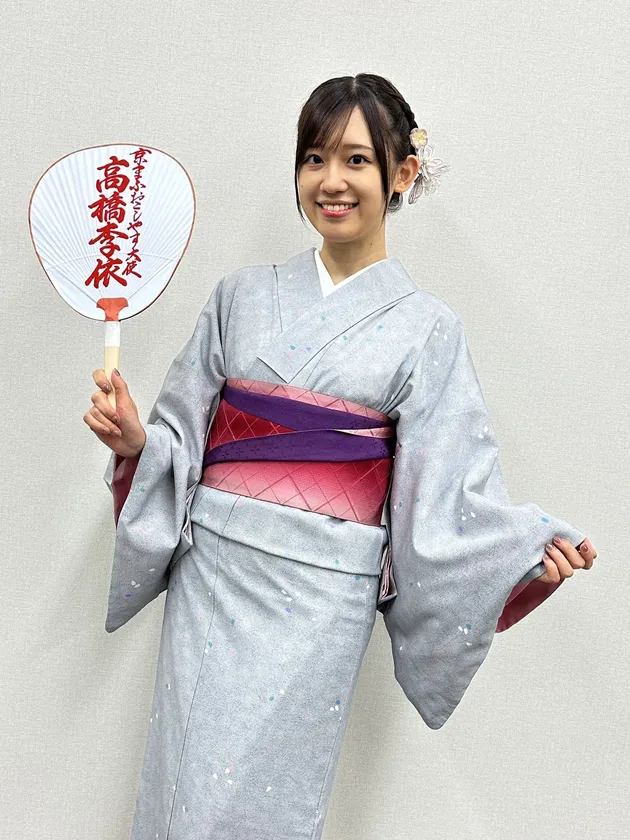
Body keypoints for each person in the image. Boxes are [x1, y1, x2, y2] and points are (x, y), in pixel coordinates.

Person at [85, 74, 597, 840]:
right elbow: (181, 442)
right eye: (314, 158)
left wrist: (517, 557)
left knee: (271, 804)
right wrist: (136, 444)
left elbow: (444, 498)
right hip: (214, 579)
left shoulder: (427, 330)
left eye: (356, 160)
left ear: (402, 173)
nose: (331, 180)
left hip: (321, 602)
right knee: (184, 788)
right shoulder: (238, 297)